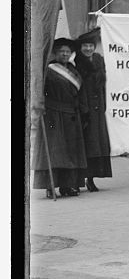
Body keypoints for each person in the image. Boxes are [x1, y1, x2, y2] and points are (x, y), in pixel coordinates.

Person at [34, 38, 89, 197]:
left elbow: (81, 93)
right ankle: (50, 186)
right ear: (56, 53)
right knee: (55, 152)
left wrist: (84, 112)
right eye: (61, 51)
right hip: (54, 116)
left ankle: (68, 186)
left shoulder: (74, 70)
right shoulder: (48, 70)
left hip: (72, 116)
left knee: (71, 152)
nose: (65, 54)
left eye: (67, 52)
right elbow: (39, 91)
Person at [75, 28, 112, 192]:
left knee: (97, 145)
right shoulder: (77, 64)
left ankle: (91, 178)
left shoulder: (99, 60)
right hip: (84, 109)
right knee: (86, 145)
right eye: (85, 46)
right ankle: (79, 179)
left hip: (98, 110)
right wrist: (84, 109)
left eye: (90, 45)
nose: (88, 49)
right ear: (80, 48)